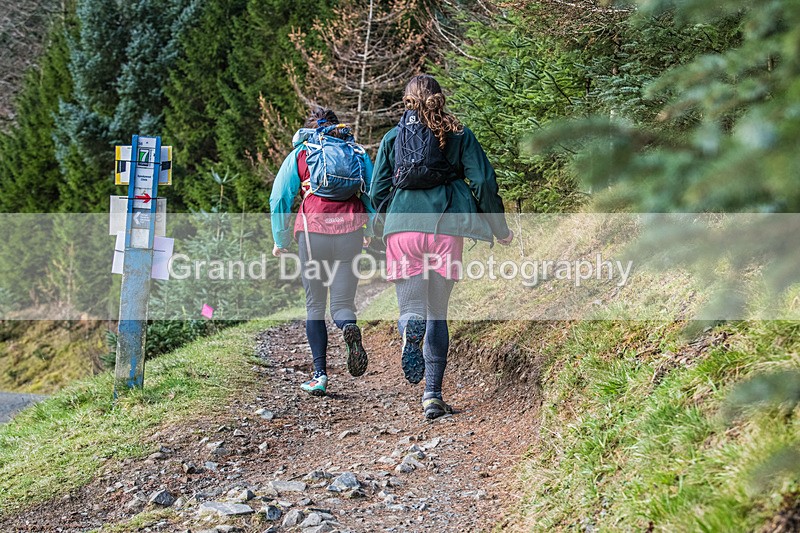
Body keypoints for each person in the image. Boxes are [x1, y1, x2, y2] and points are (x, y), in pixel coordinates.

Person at [370, 74, 513, 419]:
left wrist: (381, 228)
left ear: (407, 101)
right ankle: (432, 396)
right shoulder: (459, 134)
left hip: (403, 229)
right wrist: (499, 228)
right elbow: (483, 182)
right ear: (439, 98)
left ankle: (409, 331)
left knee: (411, 308)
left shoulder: (392, 138)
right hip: (446, 228)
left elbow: (376, 193)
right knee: (439, 312)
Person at [270, 108, 374, 396]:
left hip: (313, 232)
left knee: (315, 305)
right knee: (342, 302)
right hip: (350, 230)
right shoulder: (356, 152)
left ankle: (319, 376)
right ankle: (348, 326)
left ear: (312, 130)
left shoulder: (302, 154)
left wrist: (281, 239)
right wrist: (370, 231)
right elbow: (374, 192)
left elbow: (280, 197)